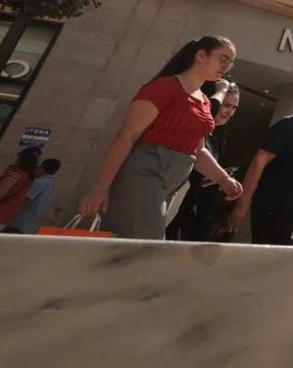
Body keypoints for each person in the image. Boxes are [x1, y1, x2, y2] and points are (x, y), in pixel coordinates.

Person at [79, 36, 243, 239]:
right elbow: (127, 136)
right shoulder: (164, 88)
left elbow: (198, 149)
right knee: (148, 243)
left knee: (129, 247)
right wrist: (100, 187)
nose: (226, 67)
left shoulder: (204, 102)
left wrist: (223, 179)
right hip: (145, 171)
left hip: (174, 181)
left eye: (231, 62)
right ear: (201, 55)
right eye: (223, 58)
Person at [227, 81, 293, 245]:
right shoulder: (290, 125)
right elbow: (259, 161)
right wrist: (241, 206)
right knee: (266, 264)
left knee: (273, 265)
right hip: (275, 210)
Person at [166, 81, 240, 241]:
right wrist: (222, 178)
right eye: (226, 105)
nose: (230, 112)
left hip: (190, 208)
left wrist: (220, 178)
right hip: (172, 199)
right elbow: (197, 157)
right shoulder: (196, 128)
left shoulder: (215, 138)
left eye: (234, 107)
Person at [5, 158, 61, 234]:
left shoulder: (40, 182)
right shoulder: (52, 185)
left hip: (21, 221)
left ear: (42, 168)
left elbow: (25, 198)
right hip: (32, 224)